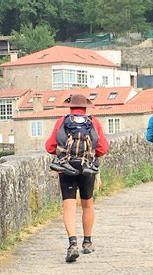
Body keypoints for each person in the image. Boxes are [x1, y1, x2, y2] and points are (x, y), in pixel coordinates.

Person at [45, 94, 109, 262]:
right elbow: (102, 148)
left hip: (66, 167)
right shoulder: (93, 122)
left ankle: (72, 244)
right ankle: (87, 243)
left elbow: (50, 146)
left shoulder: (62, 121)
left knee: (69, 206)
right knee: (87, 204)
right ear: (86, 107)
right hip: (87, 168)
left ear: (70, 107)